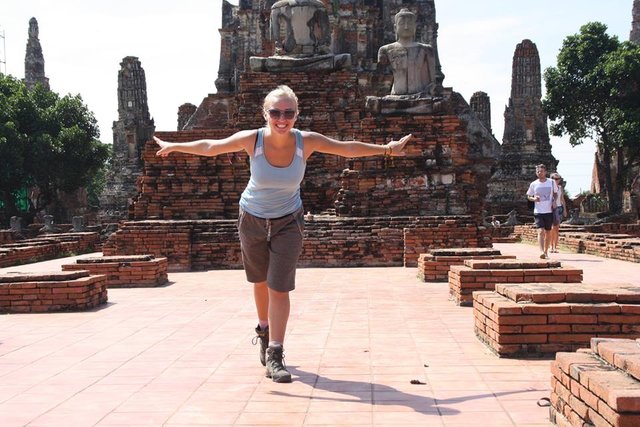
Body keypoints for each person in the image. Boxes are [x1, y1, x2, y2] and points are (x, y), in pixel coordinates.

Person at [154, 85, 413, 383]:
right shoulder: (253, 140)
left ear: (296, 115)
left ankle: (275, 354)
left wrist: (387, 148)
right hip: (251, 217)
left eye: (288, 113)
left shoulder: (306, 142)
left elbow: (347, 147)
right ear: (265, 114)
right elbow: (212, 147)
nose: (282, 118)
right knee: (260, 280)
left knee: (279, 286)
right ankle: (263, 330)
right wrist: (175, 146)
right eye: (275, 112)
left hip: (288, 220)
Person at [377, 8, 439, 96]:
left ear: (415, 27)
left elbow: (432, 82)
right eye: (402, 23)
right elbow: (380, 72)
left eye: (409, 23)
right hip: (396, 97)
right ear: (395, 28)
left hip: (420, 97)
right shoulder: (385, 50)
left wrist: (430, 90)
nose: (406, 27)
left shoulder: (426, 49)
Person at [526, 164, 558, 259]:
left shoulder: (551, 182)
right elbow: (528, 196)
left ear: (545, 172)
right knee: (540, 231)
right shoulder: (534, 184)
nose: (540, 173)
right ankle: (541, 251)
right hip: (538, 211)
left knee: (548, 232)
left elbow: (555, 194)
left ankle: (546, 251)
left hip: (549, 211)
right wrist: (534, 199)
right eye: (538, 171)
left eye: (542, 171)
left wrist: (554, 201)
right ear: (536, 173)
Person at [549, 173, 568, 253]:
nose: (557, 180)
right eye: (555, 179)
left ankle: (555, 247)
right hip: (550, 208)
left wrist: (565, 210)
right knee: (551, 229)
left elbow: (562, 199)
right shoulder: (549, 187)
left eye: (558, 179)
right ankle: (550, 246)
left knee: (556, 229)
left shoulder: (560, 188)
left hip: (559, 208)